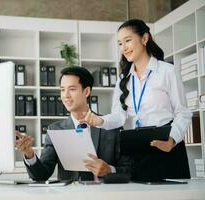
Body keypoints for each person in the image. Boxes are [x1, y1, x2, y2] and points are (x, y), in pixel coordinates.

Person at [81, 19, 192, 181]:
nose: (123, 48)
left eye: (127, 40)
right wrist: (100, 120)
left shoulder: (167, 71)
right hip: (137, 149)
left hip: (165, 145)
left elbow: (183, 112)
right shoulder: (123, 79)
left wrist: (172, 139)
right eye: (119, 43)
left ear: (144, 38)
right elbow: (119, 116)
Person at [16, 67, 130, 182]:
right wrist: (29, 154)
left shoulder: (111, 126)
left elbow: (130, 171)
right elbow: (42, 175)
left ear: (86, 91)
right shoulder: (55, 130)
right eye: (62, 89)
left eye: (72, 89)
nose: (66, 95)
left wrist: (110, 170)